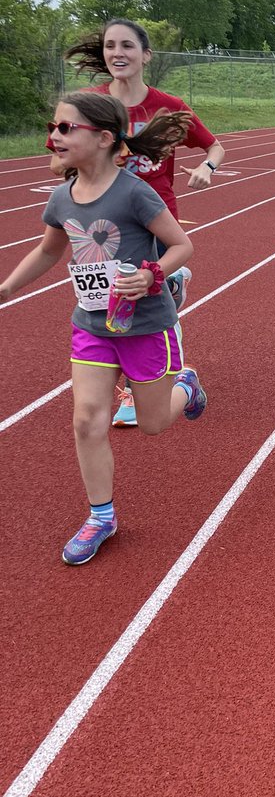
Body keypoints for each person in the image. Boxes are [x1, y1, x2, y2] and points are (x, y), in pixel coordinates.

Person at [0, 92, 208, 565]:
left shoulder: (134, 192)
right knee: (86, 419)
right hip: (92, 325)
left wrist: (152, 275)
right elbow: (50, 251)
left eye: (67, 128)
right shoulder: (61, 197)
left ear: (104, 138)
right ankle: (101, 515)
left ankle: (187, 387)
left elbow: (181, 245)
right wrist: (8, 288)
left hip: (145, 325)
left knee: (153, 425)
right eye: (53, 127)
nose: (55, 136)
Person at [60, 19, 225, 425]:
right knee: (110, 301)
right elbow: (57, 157)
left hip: (156, 219)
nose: (118, 53)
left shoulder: (166, 105)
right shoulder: (89, 104)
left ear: (145, 55)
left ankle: (144, 386)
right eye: (111, 45)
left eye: (128, 46)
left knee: (138, 302)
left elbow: (214, 145)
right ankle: (162, 376)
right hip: (105, 225)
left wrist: (207, 166)